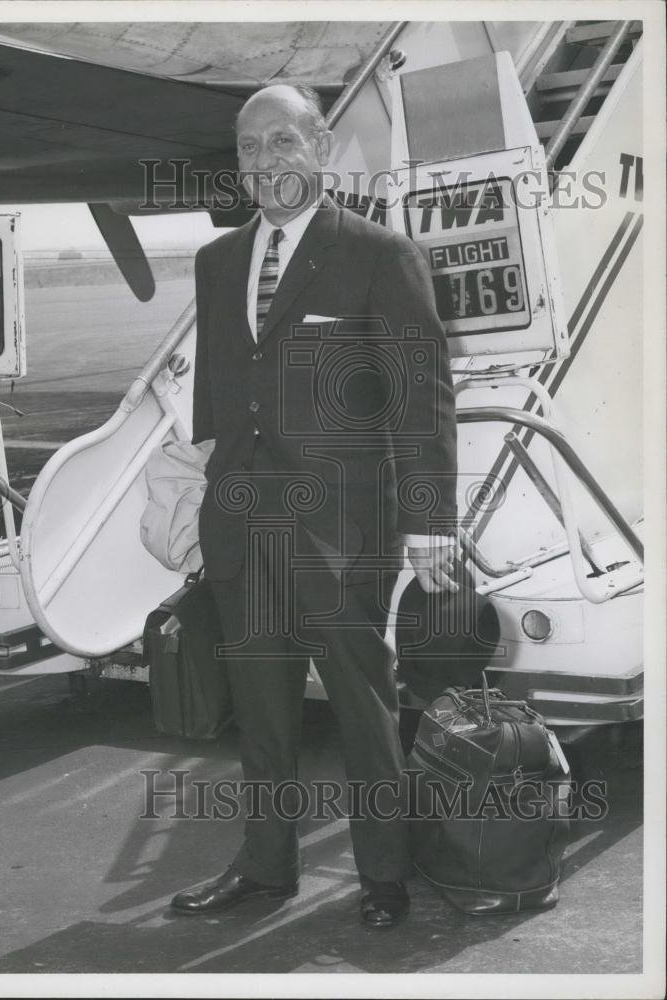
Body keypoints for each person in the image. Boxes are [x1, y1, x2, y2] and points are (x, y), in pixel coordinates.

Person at [171, 83, 458, 928]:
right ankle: (266, 869)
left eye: (282, 142)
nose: (264, 162)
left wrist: (429, 521)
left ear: (321, 147)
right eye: (248, 147)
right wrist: (204, 494)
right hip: (242, 524)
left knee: (363, 709)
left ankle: (385, 877)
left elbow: (421, 397)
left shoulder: (379, 254)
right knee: (260, 713)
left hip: (341, 531)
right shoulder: (218, 262)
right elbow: (219, 393)